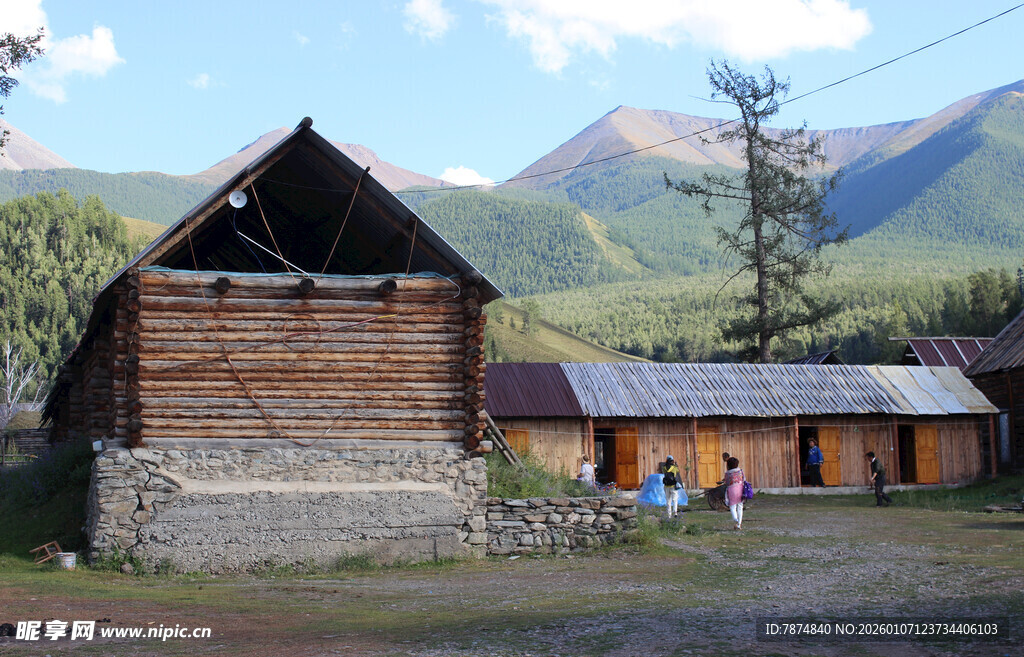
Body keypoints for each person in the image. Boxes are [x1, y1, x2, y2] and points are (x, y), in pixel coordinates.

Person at [723, 456, 745, 530]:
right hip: (740, 489)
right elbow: (744, 479)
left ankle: (735, 519)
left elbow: (727, 482)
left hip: (731, 490)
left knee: (732, 506)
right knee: (740, 506)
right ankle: (739, 524)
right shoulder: (740, 471)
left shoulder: (727, 473)